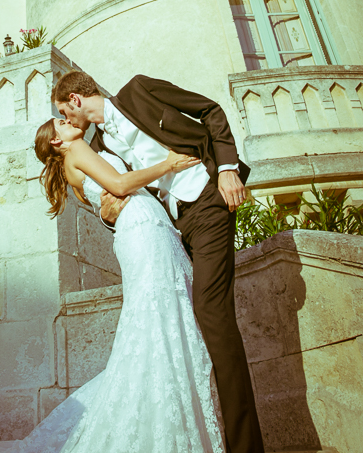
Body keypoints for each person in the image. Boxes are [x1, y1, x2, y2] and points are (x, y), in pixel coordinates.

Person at [0, 116, 226, 453]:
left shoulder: (71, 171)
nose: (68, 120)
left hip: (142, 230)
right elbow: (120, 185)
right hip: (144, 231)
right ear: (57, 141)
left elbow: (109, 208)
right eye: (61, 121)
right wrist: (168, 164)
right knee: (160, 326)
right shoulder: (77, 150)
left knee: (155, 328)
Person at [53, 71, 264, 453]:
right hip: (174, 228)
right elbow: (116, 192)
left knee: (212, 316)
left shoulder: (138, 91)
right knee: (191, 326)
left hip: (209, 200)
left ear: (75, 99)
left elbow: (210, 110)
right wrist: (109, 212)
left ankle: (246, 446)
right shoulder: (98, 146)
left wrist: (228, 169)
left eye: (64, 112)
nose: (66, 121)